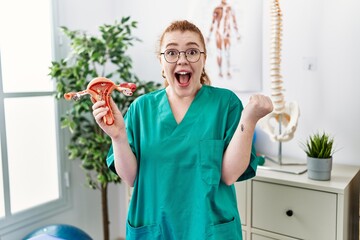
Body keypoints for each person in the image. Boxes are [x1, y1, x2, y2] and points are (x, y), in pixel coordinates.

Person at [92, 20, 273, 240]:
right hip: (155, 229)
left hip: (208, 230)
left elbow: (229, 174)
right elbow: (131, 178)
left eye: (192, 51)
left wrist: (250, 118)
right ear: (161, 61)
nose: (182, 59)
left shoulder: (226, 104)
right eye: (171, 52)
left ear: (204, 59)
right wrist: (118, 136)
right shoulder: (141, 108)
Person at [207, 0, 241, 78]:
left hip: (226, 33)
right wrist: (209, 36)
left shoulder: (230, 9)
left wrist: (237, 34)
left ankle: (228, 71)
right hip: (219, 33)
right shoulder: (217, 9)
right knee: (219, 52)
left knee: (227, 52)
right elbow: (213, 23)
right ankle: (220, 71)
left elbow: (234, 22)